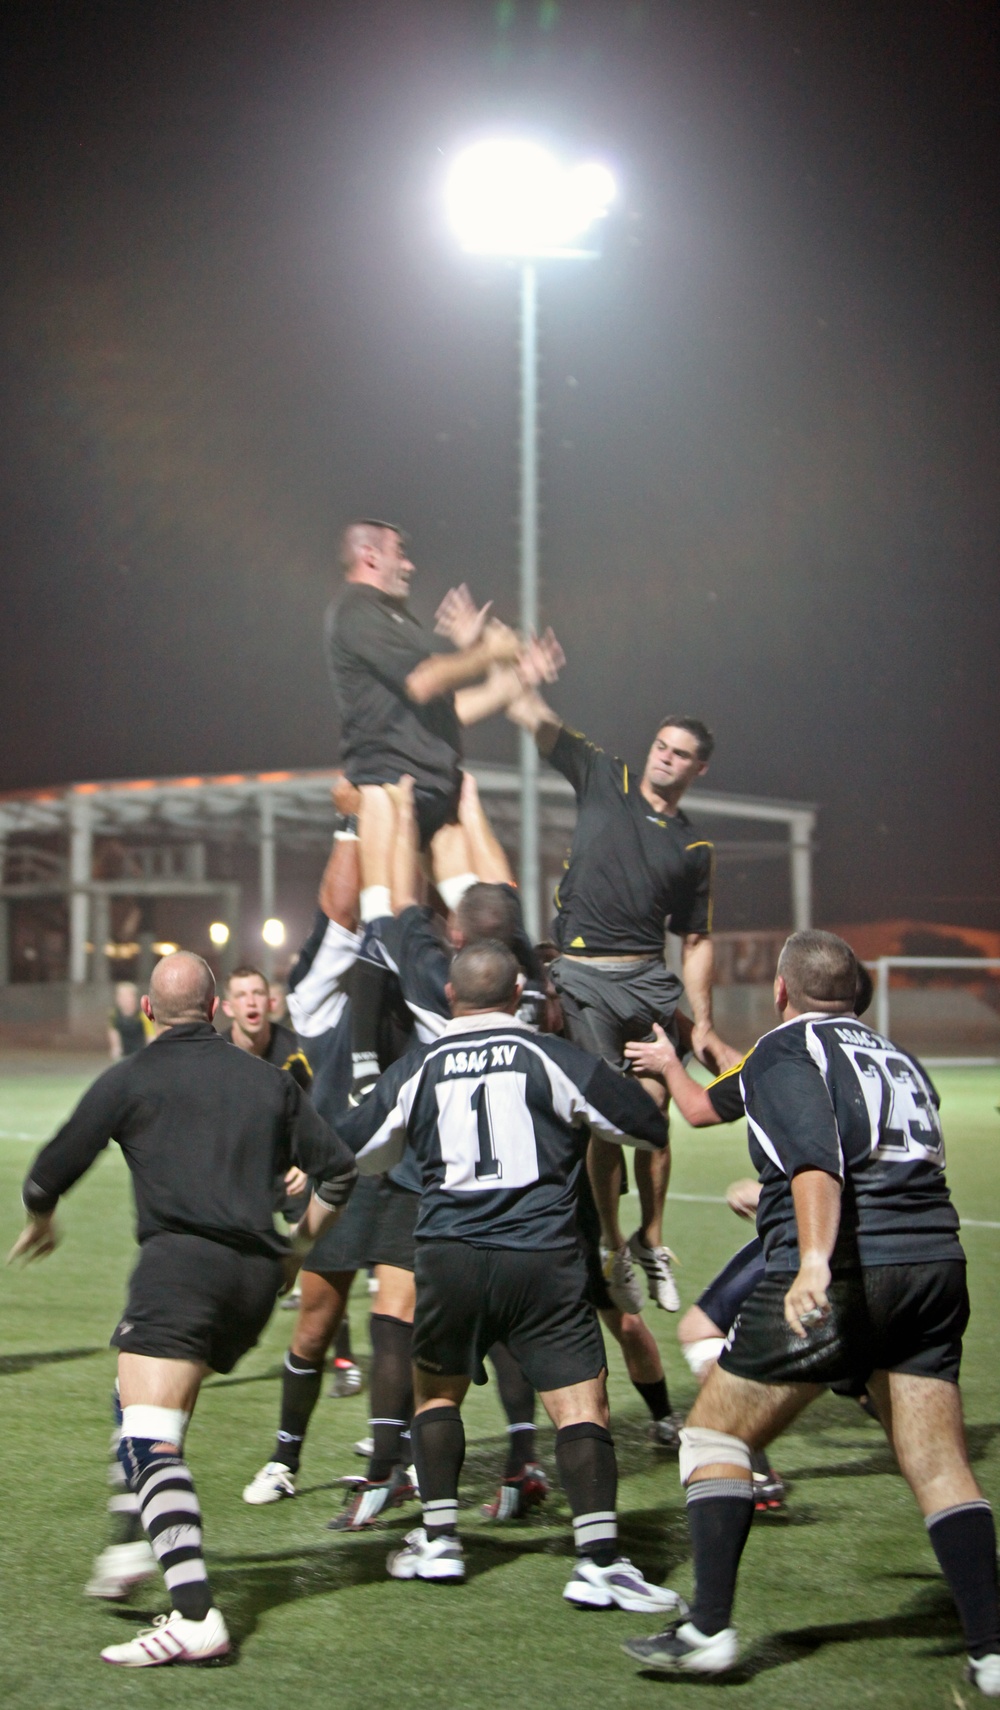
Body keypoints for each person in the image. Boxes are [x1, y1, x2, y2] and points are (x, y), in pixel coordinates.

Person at [622, 931, 1000, 1694]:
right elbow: (705, 1108)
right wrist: (674, 1064)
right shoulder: (896, 1056)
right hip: (934, 1270)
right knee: (935, 1461)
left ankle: (707, 1632)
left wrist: (816, 1261)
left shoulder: (784, 1053)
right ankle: (993, 1651)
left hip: (847, 1271)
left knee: (711, 1434)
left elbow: (816, 1158)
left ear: (781, 994)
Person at [10, 951, 359, 1668]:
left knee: (147, 1444)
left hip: (182, 1272)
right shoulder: (269, 1083)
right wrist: (295, 1247)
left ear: (147, 1011)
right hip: (254, 1282)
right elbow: (341, 1169)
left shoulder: (131, 1077)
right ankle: (135, 1535)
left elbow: (47, 1172)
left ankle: (195, 1613)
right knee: (134, 1405)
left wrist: (42, 1219)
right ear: (215, 1008)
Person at [337, 940, 682, 1613]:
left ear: (450, 997)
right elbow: (643, 1125)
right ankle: (599, 1561)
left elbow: (361, 1149)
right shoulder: (549, 1056)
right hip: (540, 1258)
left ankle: (438, 1543)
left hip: (449, 1254)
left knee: (437, 1396)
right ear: (520, 990)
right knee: (581, 1407)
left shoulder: (422, 1065)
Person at [368, 772, 684, 1479]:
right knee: (593, 1336)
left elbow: (390, 901)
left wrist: (394, 810)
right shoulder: (540, 982)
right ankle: (635, 1437)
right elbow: (644, 1122)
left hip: (457, 1213)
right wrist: (472, 804)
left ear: (455, 948)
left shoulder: (433, 980)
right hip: (555, 1196)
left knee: (436, 1371)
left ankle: (430, 1512)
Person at [507, 683, 735, 1318]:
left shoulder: (694, 848)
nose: (665, 758)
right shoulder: (607, 777)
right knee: (611, 1117)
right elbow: (543, 726)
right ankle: (612, 1247)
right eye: (661, 746)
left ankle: (650, 1240)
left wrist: (707, 1028)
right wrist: (518, 682)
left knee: (657, 1117)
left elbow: (696, 940)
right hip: (583, 976)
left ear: (699, 767)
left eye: (680, 753)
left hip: (648, 983)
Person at [241, 819, 424, 1530]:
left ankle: (390, 1465)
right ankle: (286, 1459)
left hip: (406, 1177)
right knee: (314, 1326)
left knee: (394, 1327)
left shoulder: (424, 983)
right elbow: (340, 911)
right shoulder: (322, 997)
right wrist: (355, 826)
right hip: (339, 1180)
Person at [220, 964, 313, 1090]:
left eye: (258, 993)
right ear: (228, 1008)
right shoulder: (214, 1056)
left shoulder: (298, 1054)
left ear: (270, 1003)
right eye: (241, 995)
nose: (251, 1002)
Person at [107, 980, 151, 1060]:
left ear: (134, 998)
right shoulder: (114, 1015)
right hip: (124, 1055)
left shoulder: (143, 1016)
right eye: (122, 997)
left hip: (140, 1054)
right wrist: (116, 1048)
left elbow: (150, 1036)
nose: (125, 1000)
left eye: (128, 996)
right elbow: (113, 1033)